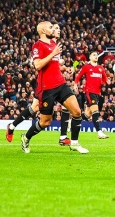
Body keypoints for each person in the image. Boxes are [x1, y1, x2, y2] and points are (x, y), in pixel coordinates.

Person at [20, 21, 88, 154]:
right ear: (43, 31)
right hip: (47, 88)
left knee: (77, 112)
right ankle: (26, 137)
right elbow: (38, 65)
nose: (53, 29)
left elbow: (54, 66)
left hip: (61, 84)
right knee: (45, 122)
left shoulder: (53, 44)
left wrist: (64, 69)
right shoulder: (38, 46)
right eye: (51, 27)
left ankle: (74, 143)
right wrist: (53, 54)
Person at [74, 52, 110, 139]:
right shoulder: (86, 67)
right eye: (93, 55)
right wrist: (75, 84)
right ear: (90, 57)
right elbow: (78, 76)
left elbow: (105, 80)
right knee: (96, 112)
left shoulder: (101, 68)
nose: (96, 56)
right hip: (89, 92)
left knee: (87, 115)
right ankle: (99, 132)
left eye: (96, 55)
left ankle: (72, 123)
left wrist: (107, 82)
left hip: (97, 93)